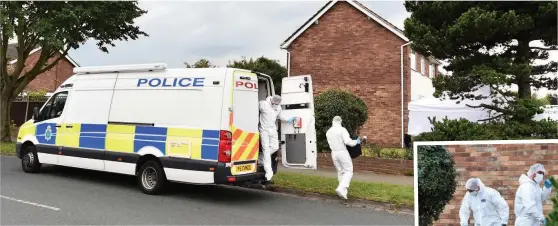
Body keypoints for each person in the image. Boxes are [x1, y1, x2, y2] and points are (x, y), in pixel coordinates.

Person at [258, 95, 295, 182]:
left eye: (277, 104)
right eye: (274, 104)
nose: (275, 105)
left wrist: (288, 120)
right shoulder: (263, 104)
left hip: (272, 129)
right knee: (266, 149)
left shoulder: (278, 107)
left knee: (275, 147)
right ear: (271, 101)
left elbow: (280, 117)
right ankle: (268, 171)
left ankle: (261, 158)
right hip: (264, 129)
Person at [325, 116, 360, 200]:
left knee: (340, 171)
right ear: (340, 121)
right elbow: (348, 142)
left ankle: (343, 193)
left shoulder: (329, 131)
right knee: (349, 170)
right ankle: (341, 188)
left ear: (333, 121)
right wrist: (356, 142)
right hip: (342, 152)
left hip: (333, 153)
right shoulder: (342, 130)